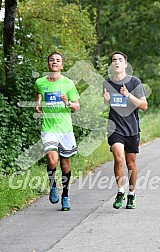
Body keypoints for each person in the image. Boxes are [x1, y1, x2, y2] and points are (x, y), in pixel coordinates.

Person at [35, 51, 80, 211]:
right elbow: (38, 92)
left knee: (65, 164)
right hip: (49, 128)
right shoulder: (40, 82)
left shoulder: (68, 83)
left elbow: (77, 106)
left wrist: (68, 103)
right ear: (48, 63)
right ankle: (53, 185)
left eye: (58, 60)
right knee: (52, 160)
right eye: (52, 60)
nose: (54, 62)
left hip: (65, 130)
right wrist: (38, 102)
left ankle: (65, 196)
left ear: (62, 65)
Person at [103, 51, 148, 209]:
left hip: (132, 128)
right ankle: (120, 191)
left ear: (125, 64)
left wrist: (128, 95)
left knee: (130, 164)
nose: (116, 62)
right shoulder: (107, 83)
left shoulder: (135, 82)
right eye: (114, 60)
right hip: (115, 128)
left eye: (120, 60)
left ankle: (131, 193)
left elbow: (144, 106)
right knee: (118, 157)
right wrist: (106, 101)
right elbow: (109, 103)